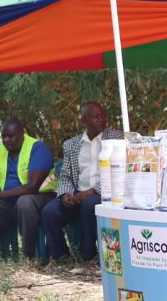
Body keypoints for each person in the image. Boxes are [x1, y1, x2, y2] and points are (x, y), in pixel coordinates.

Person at [42, 101, 123, 262]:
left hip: (105, 192)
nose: (102, 119)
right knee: (49, 211)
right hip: (77, 193)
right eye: (96, 117)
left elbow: (119, 171)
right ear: (83, 121)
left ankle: (89, 255)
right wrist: (65, 194)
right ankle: (61, 256)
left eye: (103, 116)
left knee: (89, 205)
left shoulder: (116, 138)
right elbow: (65, 175)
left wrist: (92, 191)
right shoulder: (71, 144)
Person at [0, 118, 57, 259]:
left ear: (22, 133)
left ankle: (29, 256)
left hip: (41, 199)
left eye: (11, 136)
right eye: (4, 136)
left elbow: (32, 187)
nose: (7, 140)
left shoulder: (37, 148)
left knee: (25, 202)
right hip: (8, 204)